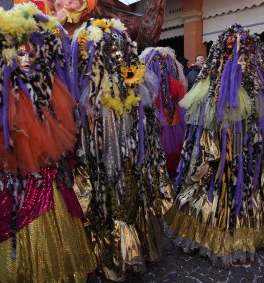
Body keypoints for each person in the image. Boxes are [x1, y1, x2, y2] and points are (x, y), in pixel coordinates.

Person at [0, 4, 97, 281]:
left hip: (39, 170)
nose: (23, 56)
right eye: (17, 51)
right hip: (4, 170)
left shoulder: (39, 86)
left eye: (27, 51)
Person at [165, 24, 264, 267]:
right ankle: (231, 228)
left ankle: (235, 230)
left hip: (243, 166)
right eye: (236, 53)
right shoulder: (217, 89)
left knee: (242, 183)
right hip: (228, 168)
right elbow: (206, 138)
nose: (240, 60)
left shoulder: (251, 90)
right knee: (232, 183)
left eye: (244, 54)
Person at [71, 18, 173, 281]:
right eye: (108, 53)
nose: (114, 57)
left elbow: (147, 128)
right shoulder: (92, 96)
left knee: (125, 193)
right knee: (116, 195)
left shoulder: (133, 88)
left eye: (117, 51)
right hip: (106, 154)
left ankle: (127, 251)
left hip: (127, 153)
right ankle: (121, 251)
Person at [140, 47, 187, 176]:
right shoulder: (175, 83)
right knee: (173, 141)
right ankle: (172, 168)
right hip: (172, 116)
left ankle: (161, 168)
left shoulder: (150, 84)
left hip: (162, 116)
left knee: (160, 141)